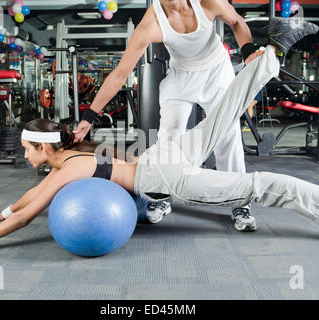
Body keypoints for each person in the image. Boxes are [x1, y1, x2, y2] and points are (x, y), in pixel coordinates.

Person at [0, 19, 319, 255]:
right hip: (162, 153)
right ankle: (273, 50)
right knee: (224, 113)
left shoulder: (63, 172)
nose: (26, 157)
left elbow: (28, 214)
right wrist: (2, 209)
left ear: (46, 148)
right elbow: (25, 205)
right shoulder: (70, 160)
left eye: (27, 150)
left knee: (256, 186)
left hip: (166, 174)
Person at [72, 0, 264, 230]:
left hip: (217, 72)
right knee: (168, 137)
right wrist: (89, 117)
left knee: (228, 132)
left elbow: (236, 21)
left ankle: (239, 201)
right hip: (181, 76)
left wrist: (248, 51)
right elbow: (120, 74)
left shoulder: (207, 3)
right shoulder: (151, 24)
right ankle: (162, 195)